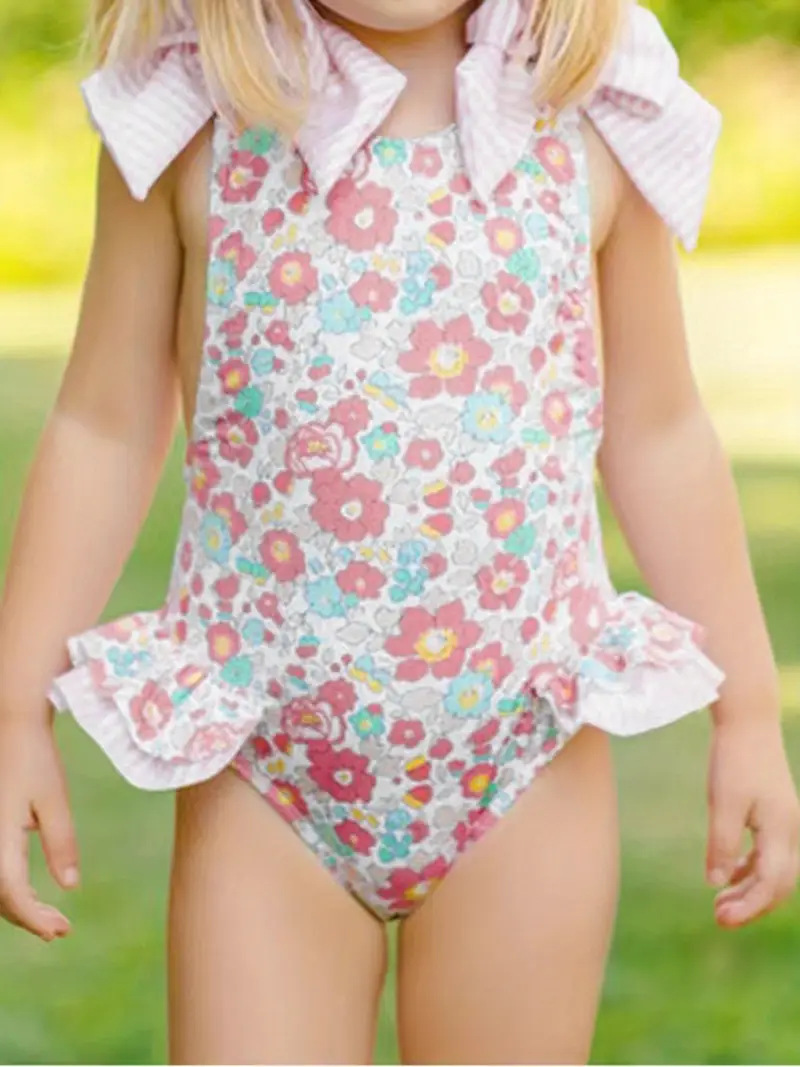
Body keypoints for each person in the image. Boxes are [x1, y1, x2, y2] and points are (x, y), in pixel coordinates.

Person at [0, 0, 798, 1062]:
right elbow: (103, 426)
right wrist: (13, 710)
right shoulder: (194, 115)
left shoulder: (588, 112)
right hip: (267, 769)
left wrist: (748, 712)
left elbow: (658, 431)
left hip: (522, 754)